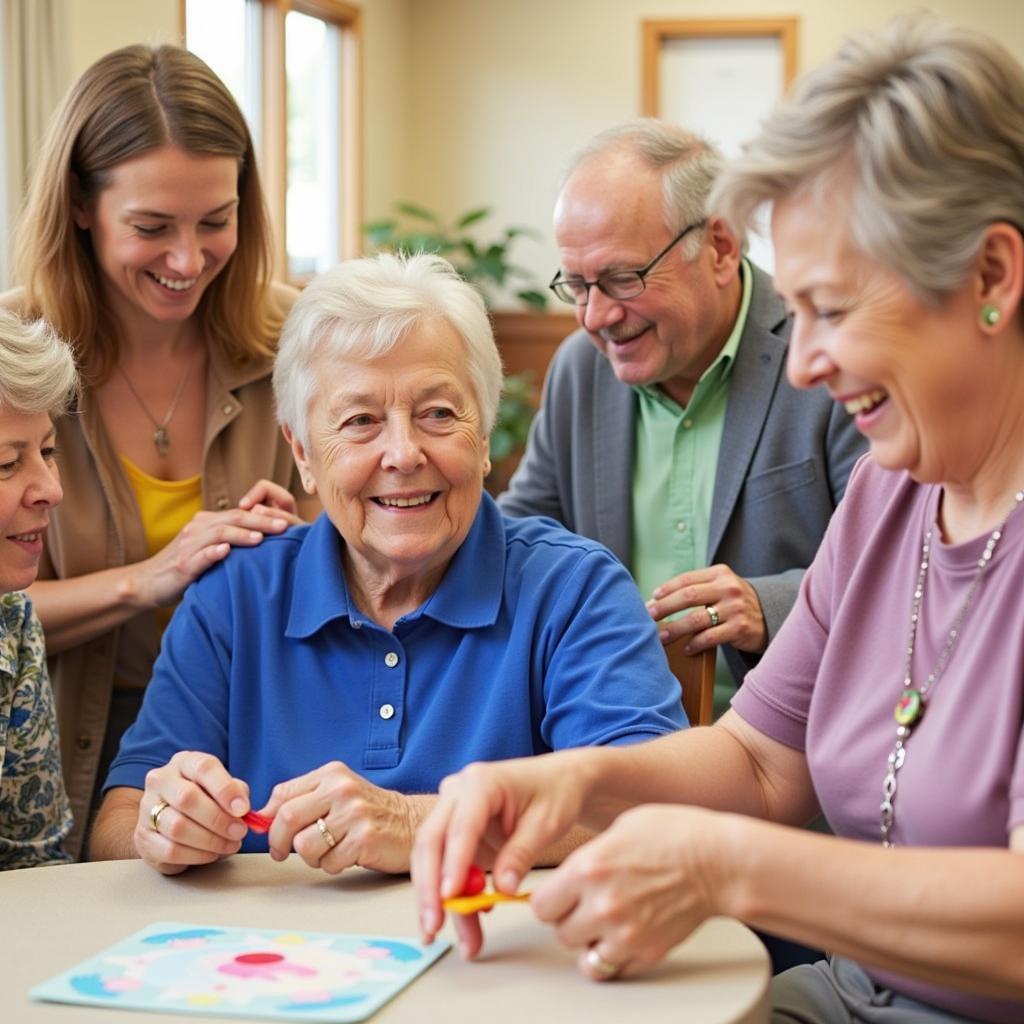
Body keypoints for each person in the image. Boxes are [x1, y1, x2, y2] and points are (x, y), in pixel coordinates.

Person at [413, 16, 1024, 1023]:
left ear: (992, 277)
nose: (800, 361)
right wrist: (558, 785)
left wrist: (725, 868)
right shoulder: (888, 493)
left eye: (832, 307)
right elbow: (755, 759)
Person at [88, 252, 686, 876]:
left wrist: (414, 823)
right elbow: (118, 823)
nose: (403, 453)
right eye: (360, 421)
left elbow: (654, 811)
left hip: (497, 964)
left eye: (437, 413)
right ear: (303, 453)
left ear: (483, 437)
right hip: (271, 965)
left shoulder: (574, 589)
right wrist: (163, 827)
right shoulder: (234, 594)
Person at [1, 45, 317, 859]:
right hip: (59, 762)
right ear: (79, 205)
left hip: (259, 770)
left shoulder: (306, 342)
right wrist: (149, 579)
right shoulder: (16, 361)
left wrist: (308, 543)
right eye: (151, 227)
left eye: (215, 221)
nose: (187, 260)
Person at [500, 119, 865, 716]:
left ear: (720, 247)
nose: (594, 317)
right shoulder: (579, 371)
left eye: (622, 279)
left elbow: (896, 562)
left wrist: (766, 602)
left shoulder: (827, 356)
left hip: (797, 745)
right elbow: (522, 536)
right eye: (577, 285)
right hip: (615, 730)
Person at [0, 310, 78, 869]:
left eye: (47, 451)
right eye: (6, 464)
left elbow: (36, 865)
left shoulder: (12, 622)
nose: (50, 490)